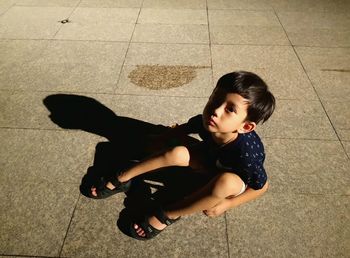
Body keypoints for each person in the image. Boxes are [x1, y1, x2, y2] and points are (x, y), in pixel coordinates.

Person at [89, 71, 276, 240]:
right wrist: (161, 138)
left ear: (246, 127)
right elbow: (185, 128)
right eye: (215, 99)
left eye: (230, 109)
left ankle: (168, 214)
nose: (216, 110)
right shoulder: (207, 121)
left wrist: (228, 205)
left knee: (225, 182)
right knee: (177, 152)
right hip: (210, 161)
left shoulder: (247, 154)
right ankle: (124, 177)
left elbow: (262, 186)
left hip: (233, 179)